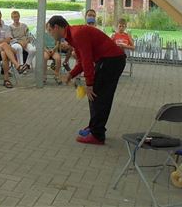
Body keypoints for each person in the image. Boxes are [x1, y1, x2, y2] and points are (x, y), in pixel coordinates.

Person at [48, 15, 126, 145]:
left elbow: (87, 60)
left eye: (49, 30)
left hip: (112, 61)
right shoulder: (72, 35)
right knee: (96, 96)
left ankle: (97, 134)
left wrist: (89, 84)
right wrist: (70, 75)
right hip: (109, 60)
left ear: (56, 27)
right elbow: (82, 62)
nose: (49, 33)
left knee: (99, 96)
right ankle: (94, 127)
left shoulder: (77, 34)